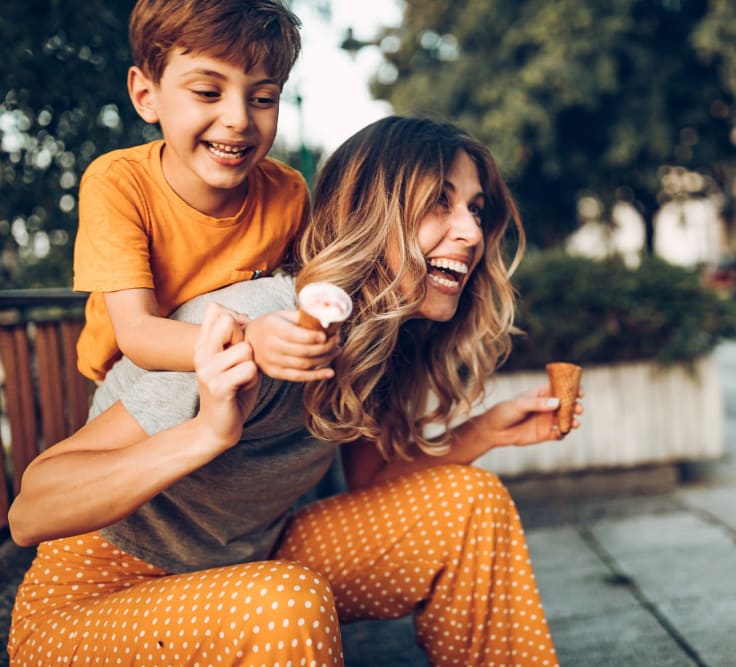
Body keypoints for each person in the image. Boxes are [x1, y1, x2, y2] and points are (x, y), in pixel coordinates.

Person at [8, 116, 582, 666]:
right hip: (91, 603)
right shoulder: (253, 321)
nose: (472, 231)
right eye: (440, 201)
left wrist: (482, 431)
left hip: (243, 567)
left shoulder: (377, 340)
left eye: (476, 209)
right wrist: (206, 432)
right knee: (286, 603)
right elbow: (32, 508)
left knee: (470, 503)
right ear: (369, 213)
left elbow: (366, 481)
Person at [73, 0, 336, 383]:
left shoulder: (288, 192)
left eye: (263, 99)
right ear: (146, 96)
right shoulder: (117, 183)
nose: (239, 119)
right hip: (131, 380)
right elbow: (138, 334)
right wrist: (251, 340)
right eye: (207, 92)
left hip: (227, 373)